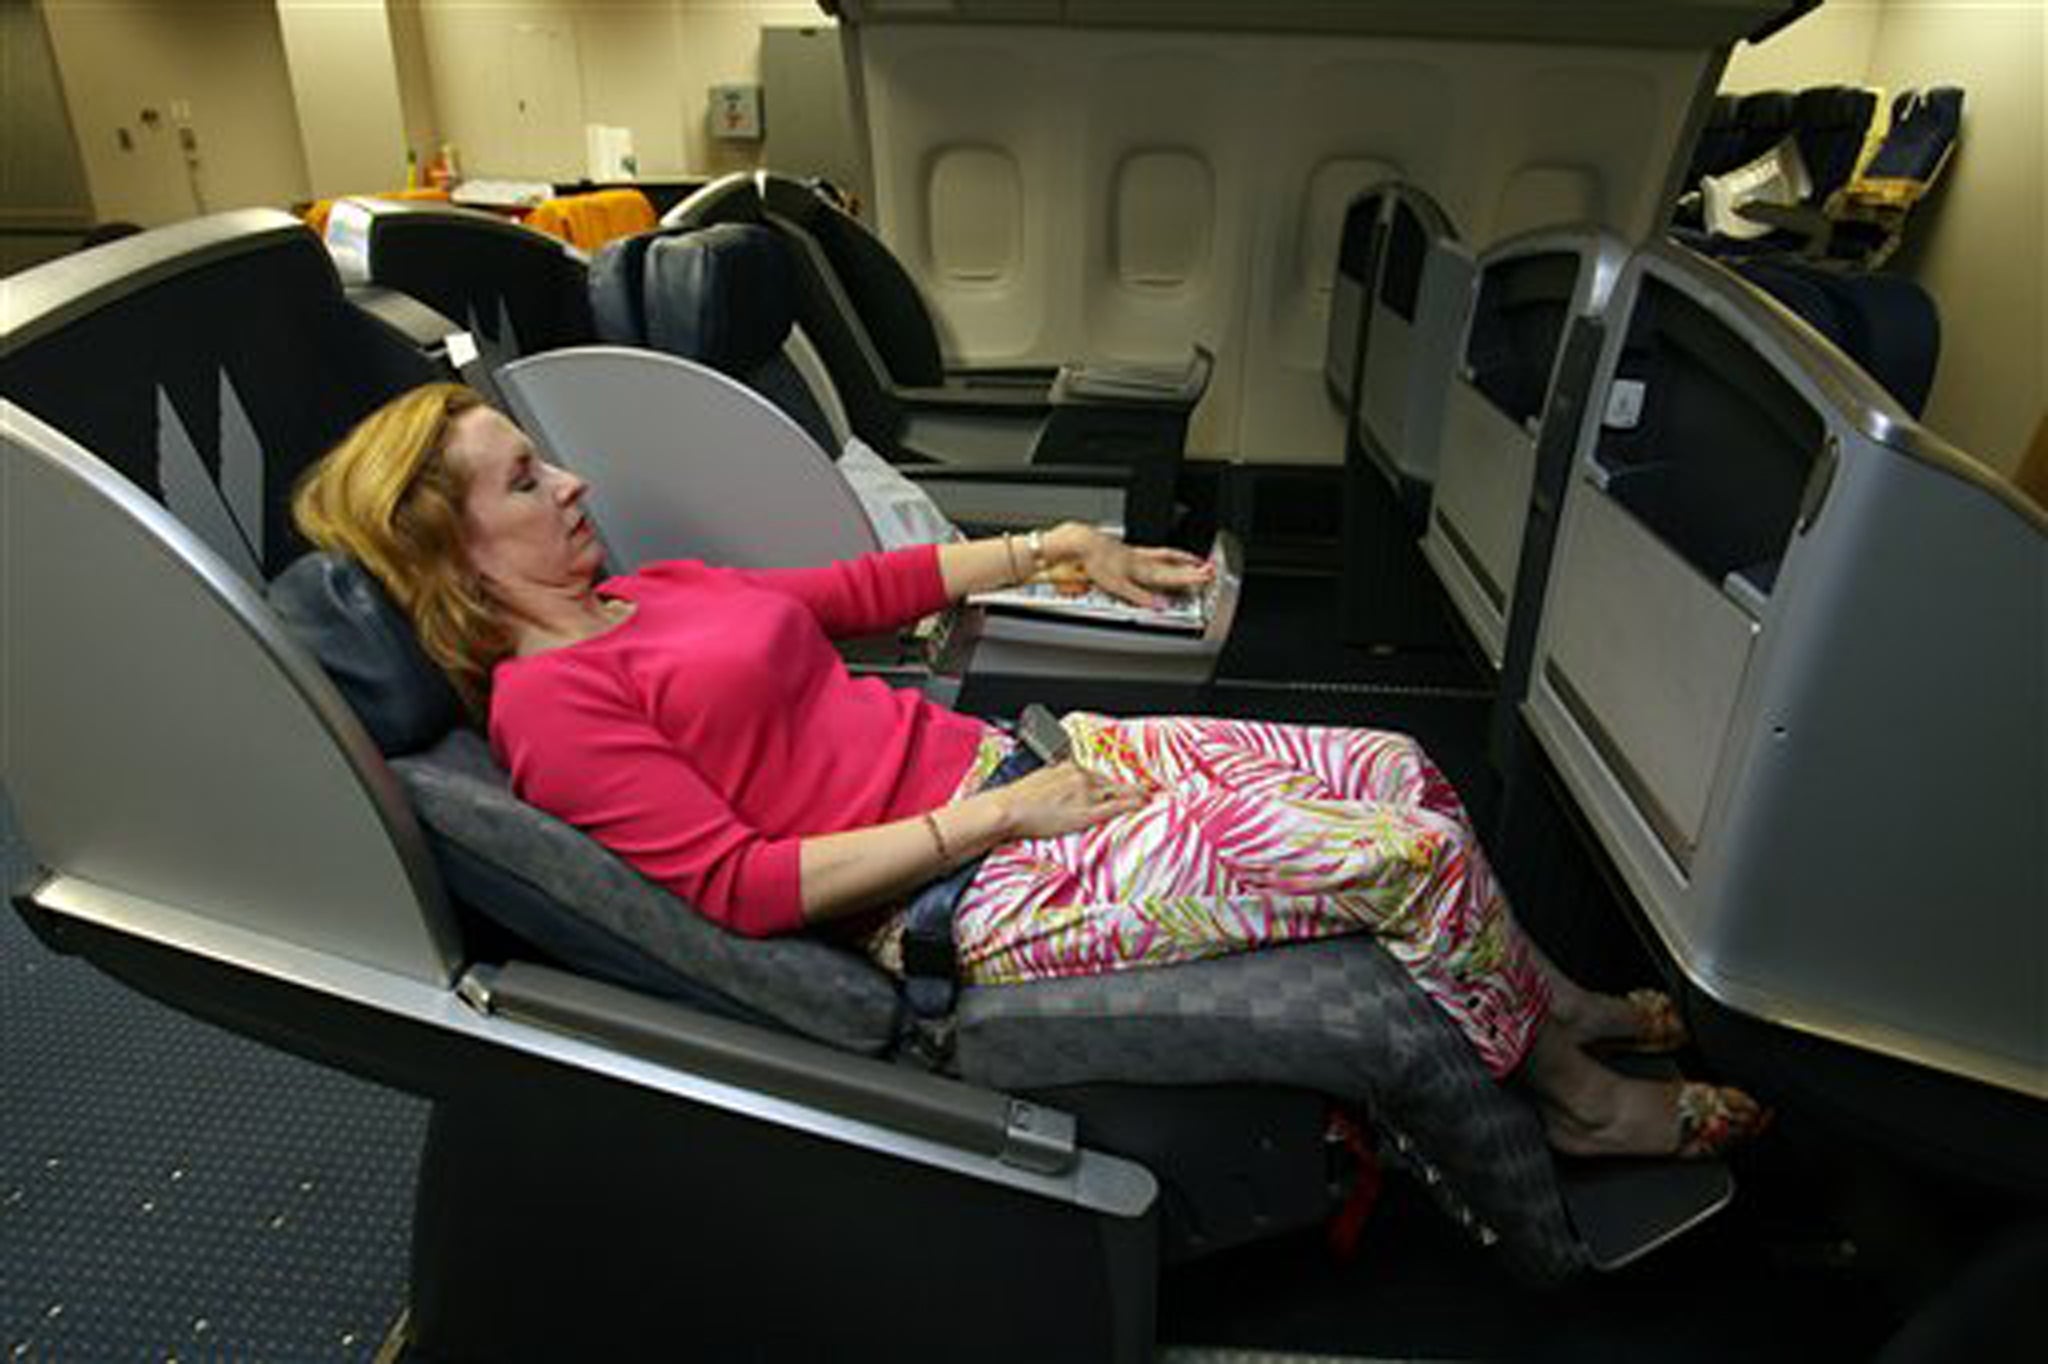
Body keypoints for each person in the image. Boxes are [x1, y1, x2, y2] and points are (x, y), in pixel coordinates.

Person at [294, 381, 1767, 1160]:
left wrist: (1052, 548)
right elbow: (742, 891)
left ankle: (1545, 992)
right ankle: (1576, 1088)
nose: (573, 484)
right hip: (976, 882)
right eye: (525, 483)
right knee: (1411, 858)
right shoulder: (557, 704)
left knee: (1396, 763)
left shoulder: (642, 590)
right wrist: (998, 814)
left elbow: (855, 590)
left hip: (1020, 775)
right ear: (448, 553)